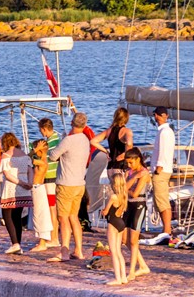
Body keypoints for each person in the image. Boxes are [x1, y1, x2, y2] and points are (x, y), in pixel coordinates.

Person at [49, 112, 91, 262]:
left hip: (66, 183)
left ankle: (64, 251)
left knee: (63, 218)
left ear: (72, 123)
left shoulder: (68, 140)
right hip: (80, 183)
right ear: (84, 125)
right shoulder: (85, 140)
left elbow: (53, 155)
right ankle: (78, 250)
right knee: (74, 217)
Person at [0, 133, 34, 254]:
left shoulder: (6, 156)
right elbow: (30, 170)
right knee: (17, 216)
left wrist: (21, 183)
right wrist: (29, 183)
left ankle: (15, 243)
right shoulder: (25, 155)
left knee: (7, 215)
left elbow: (7, 175)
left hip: (12, 187)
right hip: (24, 188)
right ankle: (18, 243)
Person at [123, 147, 152, 278]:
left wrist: (125, 188)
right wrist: (133, 177)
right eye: (128, 163)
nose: (129, 165)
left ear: (138, 159)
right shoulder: (131, 173)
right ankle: (143, 265)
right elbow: (123, 188)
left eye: (131, 162)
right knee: (125, 239)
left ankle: (132, 272)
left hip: (139, 205)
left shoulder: (144, 173)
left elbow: (134, 193)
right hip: (128, 206)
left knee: (134, 240)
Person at [92, 107, 134, 182]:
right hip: (122, 167)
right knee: (123, 192)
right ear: (126, 118)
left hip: (110, 167)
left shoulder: (108, 131)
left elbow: (93, 141)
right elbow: (129, 143)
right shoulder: (126, 131)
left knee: (114, 190)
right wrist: (125, 154)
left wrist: (106, 151)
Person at [151, 106, 175, 234]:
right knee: (159, 200)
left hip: (161, 170)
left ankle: (167, 230)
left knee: (161, 200)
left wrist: (158, 167)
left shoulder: (164, 132)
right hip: (164, 169)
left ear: (156, 116)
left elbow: (163, 150)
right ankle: (166, 229)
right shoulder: (166, 131)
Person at [28, 139, 55, 253]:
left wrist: (36, 149)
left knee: (40, 215)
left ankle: (42, 243)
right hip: (37, 189)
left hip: (38, 189)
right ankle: (41, 241)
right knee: (38, 215)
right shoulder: (42, 160)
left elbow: (26, 159)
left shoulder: (42, 162)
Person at [102, 172, 129, 286]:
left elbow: (106, 212)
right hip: (121, 223)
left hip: (113, 223)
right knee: (119, 252)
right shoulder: (124, 196)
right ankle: (124, 277)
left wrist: (103, 211)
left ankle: (117, 278)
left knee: (113, 252)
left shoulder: (113, 197)